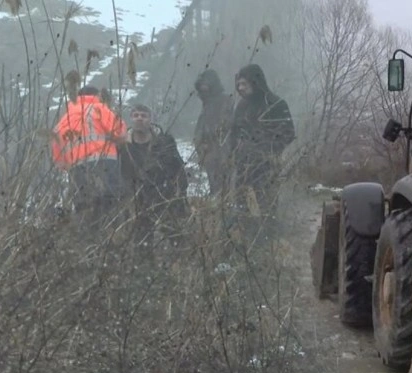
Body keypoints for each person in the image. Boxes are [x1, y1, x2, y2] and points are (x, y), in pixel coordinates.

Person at [50, 85, 128, 231]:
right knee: (111, 207)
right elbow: (119, 133)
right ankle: (114, 243)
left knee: (85, 210)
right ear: (97, 95)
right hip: (105, 164)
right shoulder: (98, 108)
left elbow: (57, 155)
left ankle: (90, 245)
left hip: (77, 170)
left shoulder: (64, 119)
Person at [118, 104, 190, 256]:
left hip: (165, 196)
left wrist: (180, 191)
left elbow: (178, 168)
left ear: (150, 119)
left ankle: (181, 268)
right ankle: (144, 273)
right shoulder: (123, 146)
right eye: (136, 115)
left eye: (144, 115)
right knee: (142, 243)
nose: (140, 119)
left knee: (177, 237)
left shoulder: (165, 142)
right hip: (138, 200)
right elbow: (121, 174)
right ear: (131, 119)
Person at [229, 64, 295, 223]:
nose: (240, 88)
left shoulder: (275, 103)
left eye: (244, 83)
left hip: (266, 165)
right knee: (241, 208)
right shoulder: (242, 106)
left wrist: (266, 149)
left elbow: (288, 133)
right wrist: (234, 153)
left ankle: (268, 240)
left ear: (255, 82)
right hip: (243, 166)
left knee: (267, 208)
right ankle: (246, 239)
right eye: (238, 84)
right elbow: (233, 133)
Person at [193, 69, 234, 198]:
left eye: (206, 83)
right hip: (209, 152)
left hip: (222, 152)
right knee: (215, 187)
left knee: (224, 188)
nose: (204, 87)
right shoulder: (207, 103)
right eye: (202, 84)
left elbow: (225, 126)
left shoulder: (224, 100)